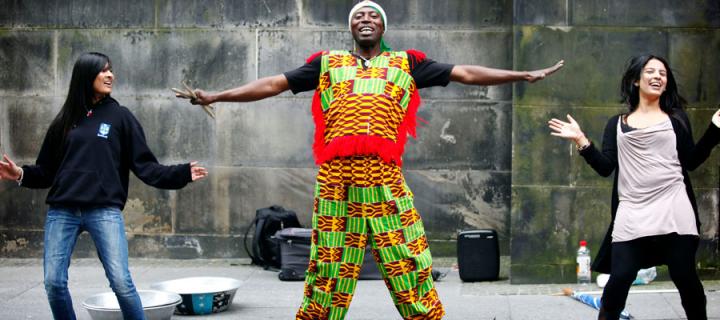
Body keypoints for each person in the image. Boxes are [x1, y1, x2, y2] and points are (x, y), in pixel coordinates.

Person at [180, 1, 562, 319]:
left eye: (372, 15)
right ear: (351, 28)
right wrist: (216, 96)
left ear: (382, 26)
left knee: (407, 256)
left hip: (383, 179)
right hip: (336, 182)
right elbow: (273, 84)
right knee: (328, 266)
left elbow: (465, 72)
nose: (365, 20)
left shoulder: (406, 63)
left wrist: (522, 75)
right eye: (358, 16)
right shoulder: (326, 64)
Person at [0, 52, 208, 320]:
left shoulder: (120, 117)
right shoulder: (64, 121)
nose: (110, 75)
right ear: (86, 76)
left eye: (111, 70)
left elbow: (146, 166)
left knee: (121, 282)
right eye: (103, 70)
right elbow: (46, 172)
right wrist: (19, 174)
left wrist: (182, 173)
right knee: (53, 283)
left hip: (104, 210)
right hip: (62, 211)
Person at [548, 54, 720, 320]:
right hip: (633, 211)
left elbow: (692, 161)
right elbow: (605, 167)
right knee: (619, 281)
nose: (657, 76)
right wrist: (581, 140)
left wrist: (715, 129)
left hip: (674, 208)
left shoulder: (676, 120)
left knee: (686, 279)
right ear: (636, 80)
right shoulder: (616, 124)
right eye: (650, 71)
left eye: (662, 73)